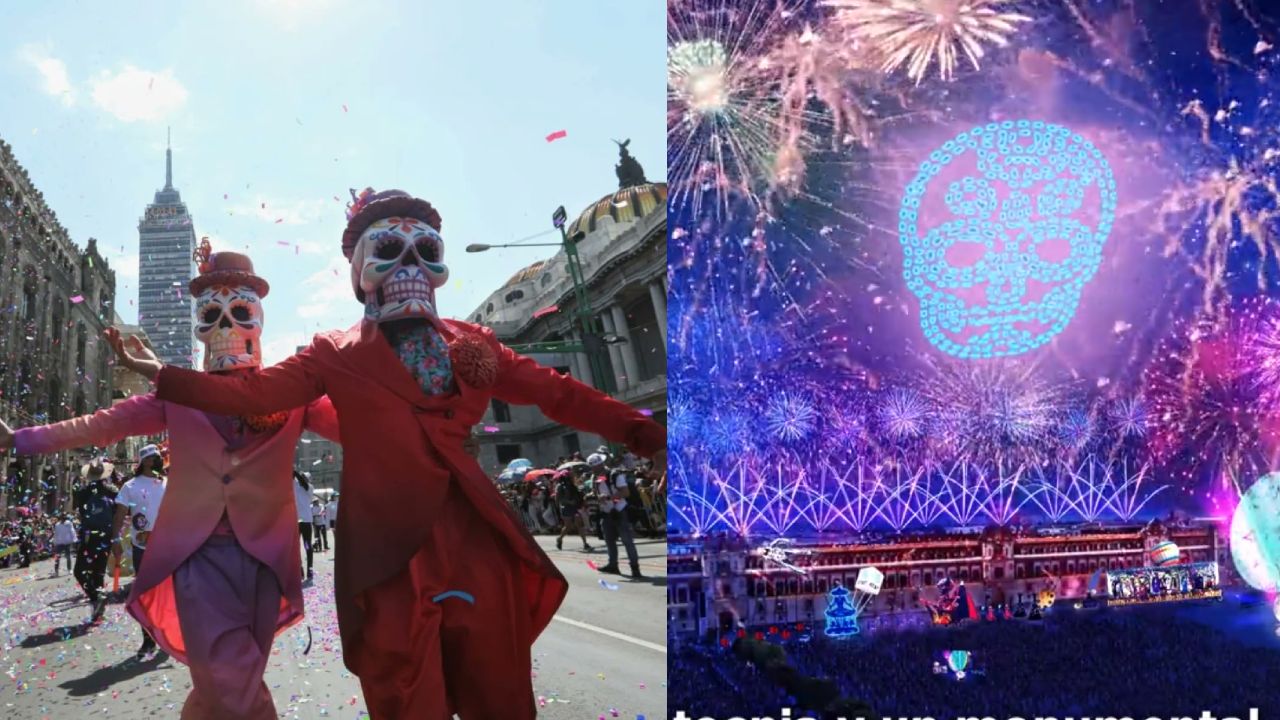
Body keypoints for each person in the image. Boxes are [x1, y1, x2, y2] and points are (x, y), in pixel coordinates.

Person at [109, 188, 666, 719]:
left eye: (426, 251)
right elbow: (253, 393)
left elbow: (560, 394)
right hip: (387, 556)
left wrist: (656, 440)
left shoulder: (475, 343)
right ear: (360, 272)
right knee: (405, 696)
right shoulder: (334, 352)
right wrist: (162, 374)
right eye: (389, 249)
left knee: (499, 692)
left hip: (474, 540)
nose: (410, 266)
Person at [0, 245, 340, 719]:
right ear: (198, 324)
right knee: (230, 681)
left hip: (266, 561)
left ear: (259, 318)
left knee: (226, 686)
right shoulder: (176, 396)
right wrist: (20, 440)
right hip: (197, 558)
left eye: (240, 312)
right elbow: (101, 425)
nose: (225, 327)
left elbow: (362, 427)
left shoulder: (291, 394)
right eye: (211, 315)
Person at [111, 444, 168, 660]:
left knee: (166, 594)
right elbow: (120, 514)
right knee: (145, 595)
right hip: (141, 548)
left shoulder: (167, 483)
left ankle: (166, 636)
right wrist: (115, 539)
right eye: (153, 458)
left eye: (158, 457)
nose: (157, 461)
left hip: (167, 548)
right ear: (144, 461)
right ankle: (148, 639)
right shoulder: (130, 486)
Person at [72, 460, 118, 622]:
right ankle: (98, 610)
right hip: (106, 537)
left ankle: (96, 597)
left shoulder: (82, 493)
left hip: (89, 536)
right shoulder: (112, 491)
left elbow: (81, 513)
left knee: (80, 571)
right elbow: (117, 515)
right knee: (98, 572)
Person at [591, 452, 643, 579]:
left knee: (627, 541)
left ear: (601, 464)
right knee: (609, 541)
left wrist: (609, 497)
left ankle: (635, 568)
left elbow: (625, 492)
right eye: (592, 467)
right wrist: (596, 497)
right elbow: (597, 493)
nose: (594, 469)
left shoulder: (614, 475)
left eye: (596, 466)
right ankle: (613, 565)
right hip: (606, 512)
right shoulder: (595, 478)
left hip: (619, 511)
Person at [554, 470, 592, 551]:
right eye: (569, 476)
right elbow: (558, 499)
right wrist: (568, 502)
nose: (571, 477)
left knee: (579, 524)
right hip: (566, 508)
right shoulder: (560, 486)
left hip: (575, 507)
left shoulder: (573, 484)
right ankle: (560, 539)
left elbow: (577, 494)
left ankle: (585, 543)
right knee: (568, 526)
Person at [294, 471, 315, 581]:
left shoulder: (309, 487)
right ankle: (300, 569)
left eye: (304, 477)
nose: (302, 479)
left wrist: (296, 473)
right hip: (296, 521)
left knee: (307, 545)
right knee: (296, 548)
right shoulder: (295, 485)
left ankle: (310, 570)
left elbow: (303, 483)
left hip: (306, 521)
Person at [52, 513, 76, 578]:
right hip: (60, 543)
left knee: (68, 556)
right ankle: (56, 571)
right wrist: (55, 541)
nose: (63, 519)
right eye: (62, 518)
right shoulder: (57, 525)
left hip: (67, 542)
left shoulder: (68, 523)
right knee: (57, 557)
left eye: (64, 518)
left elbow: (72, 531)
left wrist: (74, 539)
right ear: (60, 519)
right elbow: (56, 534)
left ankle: (69, 569)